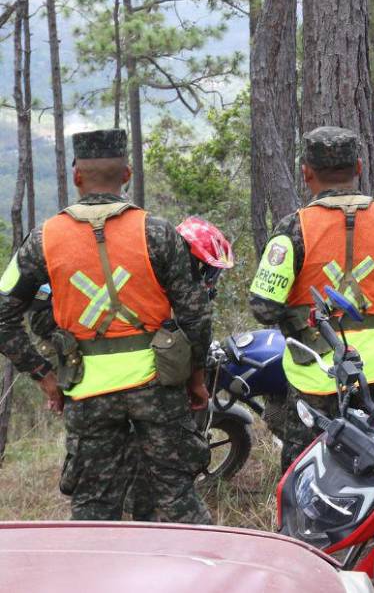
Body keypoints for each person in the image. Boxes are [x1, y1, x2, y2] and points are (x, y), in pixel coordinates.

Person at [0, 129, 213, 523]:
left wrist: (45, 376)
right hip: (158, 385)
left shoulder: (43, 239)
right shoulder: (158, 232)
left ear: (77, 177)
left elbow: (3, 315)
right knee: (176, 497)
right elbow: (196, 315)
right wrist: (196, 377)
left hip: (88, 391)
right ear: (127, 173)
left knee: (94, 506)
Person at [249, 126, 374, 468]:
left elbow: (263, 308)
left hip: (316, 373)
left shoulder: (293, 228)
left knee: (307, 469)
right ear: (359, 167)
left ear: (306, 172)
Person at [27, 216, 234, 522]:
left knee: (107, 488)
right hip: (123, 385)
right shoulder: (145, 274)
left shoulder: (151, 270)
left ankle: (133, 528)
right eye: (204, 268)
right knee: (162, 482)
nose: (207, 278)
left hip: (95, 388)